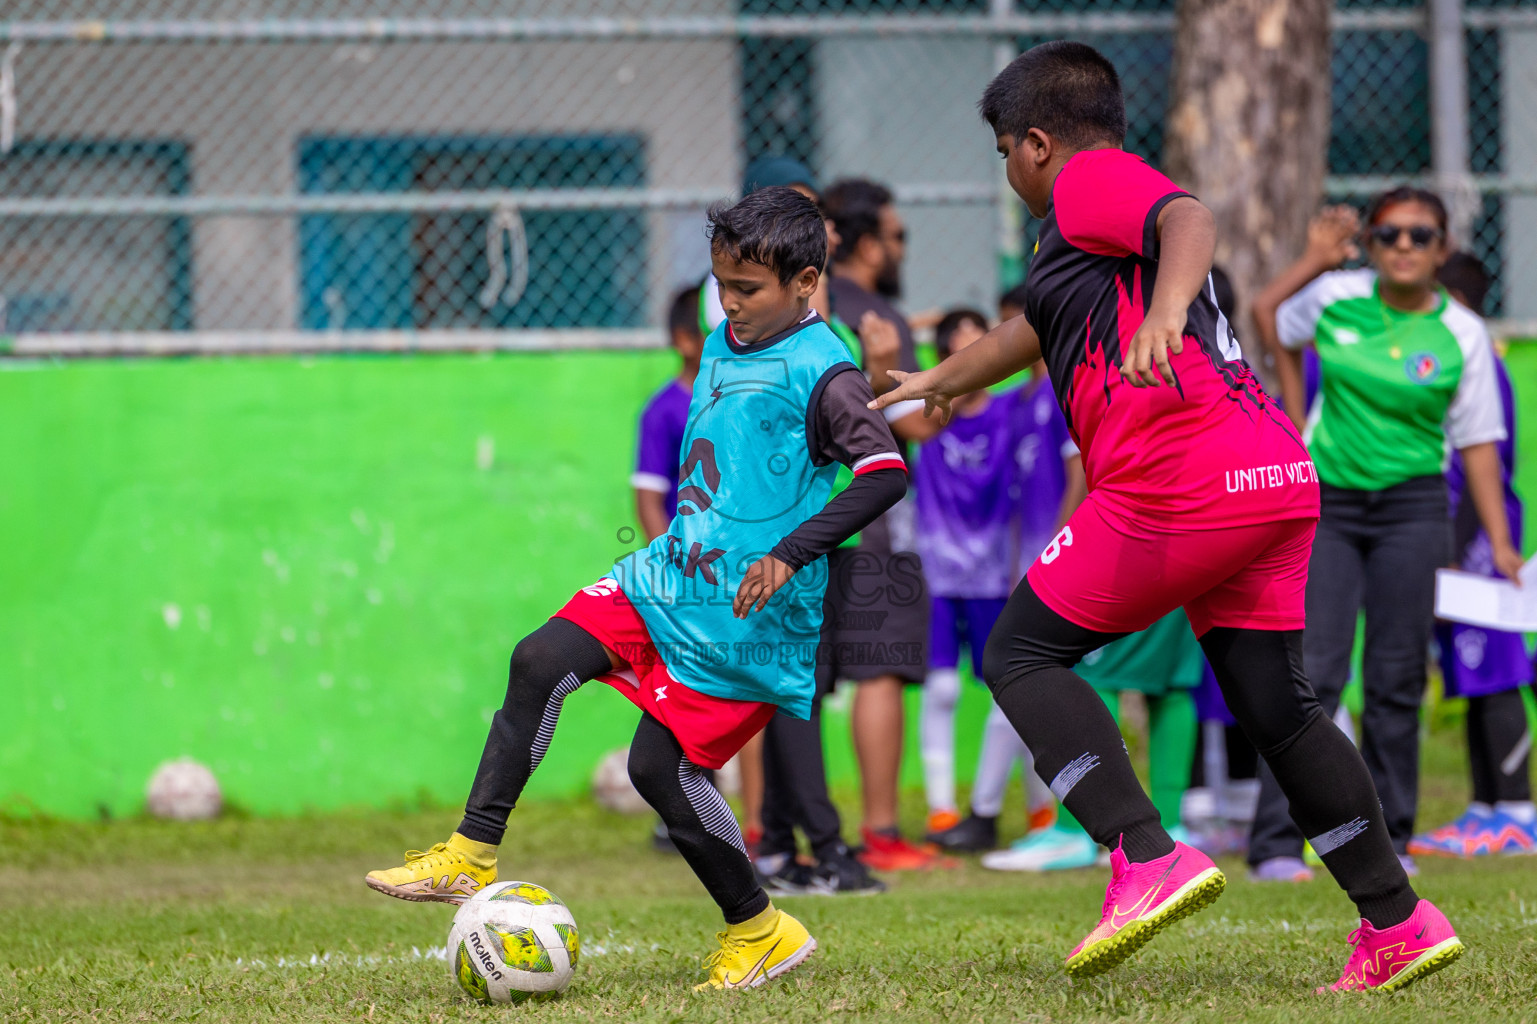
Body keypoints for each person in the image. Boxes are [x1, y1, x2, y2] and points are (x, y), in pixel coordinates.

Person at [873, 41, 1464, 992]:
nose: (1008, 174)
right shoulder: (1073, 246)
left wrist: (1169, 308)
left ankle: (1143, 852)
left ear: (1034, 144)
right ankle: (1397, 920)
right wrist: (938, 381)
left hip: (1178, 480)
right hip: (1271, 473)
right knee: (1279, 708)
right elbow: (1036, 327)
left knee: (1019, 653)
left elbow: (1188, 216)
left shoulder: (1088, 183)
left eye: (1002, 154)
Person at [365, 187, 909, 990]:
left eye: (747, 289)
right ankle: (470, 852)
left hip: (745, 614)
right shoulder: (727, 337)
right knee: (538, 658)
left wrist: (790, 553)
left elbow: (884, 473)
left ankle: (759, 930)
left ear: (804, 281)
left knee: (660, 769)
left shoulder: (825, 372)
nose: (728, 302)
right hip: (669, 575)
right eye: (721, 284)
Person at [1248, 197, 1523, 883]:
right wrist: (1290, 409)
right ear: (1369, 243)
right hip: (1330, 506)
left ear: (1440, 247)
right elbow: (1267, 318)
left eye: (1418, 235)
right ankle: (1276, 844)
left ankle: (1390, 837)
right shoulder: (1336, 295)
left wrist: (1502, 545)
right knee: (1310, 673)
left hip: (1413, 510)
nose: (1402, 245)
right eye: (1388, 234)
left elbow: (1479, 445)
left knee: (1396, 680)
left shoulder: (1460, 332)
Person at [820, 177, 948, 870]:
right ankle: (878, 832)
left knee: (790, 674)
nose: (901, 249)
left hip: (799, 518)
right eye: (896, 237)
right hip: (871, 517)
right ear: (867, 244)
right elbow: (918, 423)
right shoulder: (878, 320)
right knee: (880, 667)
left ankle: (764, 825)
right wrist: (949, 390)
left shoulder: (793, 308)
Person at [928, 290, 1084, 853]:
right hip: (1029, 564)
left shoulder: (1062, 390)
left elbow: (1080, 474)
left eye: (1007, 328)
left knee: (1022, 682)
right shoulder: (1023, 401)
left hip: (1062, 561)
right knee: (1019, 683)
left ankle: (1006, 815)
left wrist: (1058, 550)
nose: (1000, 341)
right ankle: (1011, 815)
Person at [1409, 252, 1536, 857]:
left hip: (1477, 539)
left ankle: (1516, 808)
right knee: (1468, 670)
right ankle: (1486, 808)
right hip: (1458, 535)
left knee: (1496, 667)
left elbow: (1478, 461)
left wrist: (1457, 548)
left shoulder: (1475, 356)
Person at [985, 610, 1203, 871]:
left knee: (1100, 674)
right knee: (1169, 682)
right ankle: (1171, 829)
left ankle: (1072, 832)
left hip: (1133, 571)